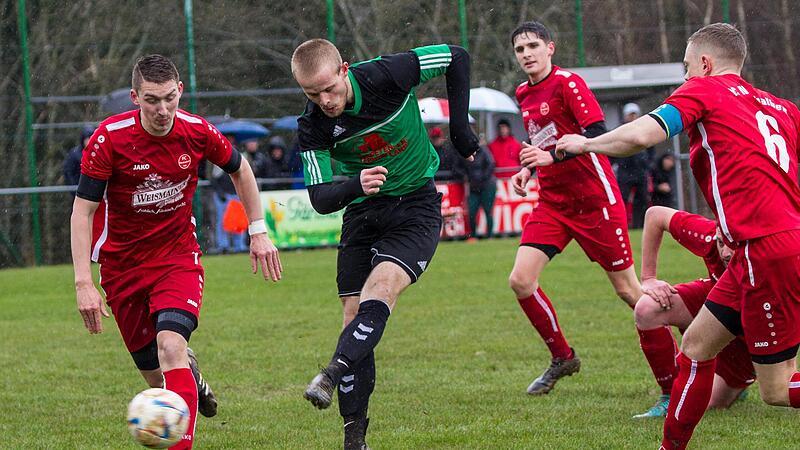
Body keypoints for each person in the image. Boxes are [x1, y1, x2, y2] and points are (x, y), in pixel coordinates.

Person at [556, 23, 800, 450]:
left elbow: (640, 135)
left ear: (705, 64)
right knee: (695, 346)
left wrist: (585, 144)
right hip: (762, 250)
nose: (684, 79)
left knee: (776, 391)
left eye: (687, 68)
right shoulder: (780, 107)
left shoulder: (702, 91)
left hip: (766, 249)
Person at [69, 54, 282, 450]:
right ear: (135, 97)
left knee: (171, 346)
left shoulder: (196, 131)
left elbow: (241, 169)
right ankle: (191, 378)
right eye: (152, 100)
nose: (163, 109)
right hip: (121, 267)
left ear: (180, 90)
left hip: (176, 258)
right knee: (155, 376)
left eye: (169, 98)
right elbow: (83, 210)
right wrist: (84, 282)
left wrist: (258, 231)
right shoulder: (109, 138)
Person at [291, 39, 478, 449]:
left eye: (329, 88)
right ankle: (354, 440)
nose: (324, 100)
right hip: (362, 214)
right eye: (312, 94)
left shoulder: (387, 73)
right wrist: (353, 184)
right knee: (353, 316)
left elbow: (456, 56)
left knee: (383, 288)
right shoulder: (312, 126)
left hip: (416, 206)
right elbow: (320, 198)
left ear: (345, 68)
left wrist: (459, 128)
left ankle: (332, 371)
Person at [507, 20, 649, 395]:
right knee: (521, 280)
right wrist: (527, 169)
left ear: (550, 48)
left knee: (629, 291)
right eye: (520, 49)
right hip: (554, 203)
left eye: (533, 46)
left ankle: (695, 344)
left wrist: (550, 157)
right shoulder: (522, 92)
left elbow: (595, 134)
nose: (527, 54)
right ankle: (563, 357)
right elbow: (542, 139)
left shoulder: (569, 83)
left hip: (594, 200)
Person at [632, 206, 754, 418]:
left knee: (772, 392)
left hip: (751, 336)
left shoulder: (771, 254)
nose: (725, 252)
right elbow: (655, 215)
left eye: (734, 244)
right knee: (647, 308)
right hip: (718, 303)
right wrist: (648, 278)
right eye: (720, 241)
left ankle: (739, 381)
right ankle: (670, 394)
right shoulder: (707, 235)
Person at [612, 103, 652, 228]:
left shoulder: (645, 130)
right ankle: (621, 225)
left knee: (642, 200)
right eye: (631, 114)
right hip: (625, 172)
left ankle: (640, 225)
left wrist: (648, 164)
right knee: (622, 200)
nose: (633, 117)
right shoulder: (620, 131)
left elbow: (651, 150)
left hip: (640, 172)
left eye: (635, 114)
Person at [210, 140, 248, 254]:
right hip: (224, 195)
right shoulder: (218, 160)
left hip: (235, 194)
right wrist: (220, 193)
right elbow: (213, 179)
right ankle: (223, 246)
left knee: (238, 222)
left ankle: (238, 246)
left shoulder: (240, 158)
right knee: (223, 222)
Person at [467, 136, 496, 239]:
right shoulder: (469, 153)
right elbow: (460, 166)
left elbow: (491, 164)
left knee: (488, 211)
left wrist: (482, 178)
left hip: (486, 186)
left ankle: (490, 235)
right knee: (471, 212)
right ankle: (473, 235)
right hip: (474, 187)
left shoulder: (484, 151)